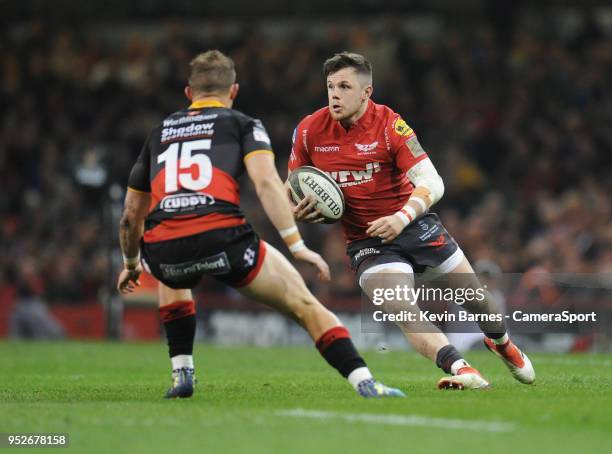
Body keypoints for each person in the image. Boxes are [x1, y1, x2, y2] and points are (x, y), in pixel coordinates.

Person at [116, 50, 404, 399]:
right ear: (233, 91)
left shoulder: (159, 132)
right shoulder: (242, 124)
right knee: (304, 304)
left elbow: (132, 213)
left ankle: (182, 373)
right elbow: (267, 184)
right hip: (222, 238)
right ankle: (365, 382)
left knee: (172, 262)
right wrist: (297, 246)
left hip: (162, 248)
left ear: (189, 94)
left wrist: (132, 264)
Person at [288, 51, 535, 389]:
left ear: (366, 91)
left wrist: (400, 217)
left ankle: (501, 343)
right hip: (367, 241)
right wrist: (296, 206)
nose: (335, 94)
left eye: (344, 86)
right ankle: (461, 369)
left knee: (478, 301)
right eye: (330, 86)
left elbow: (433, 183)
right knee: (402, 309)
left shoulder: (390, 125)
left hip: (414, 224)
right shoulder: (308, 131)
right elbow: (293, 184)